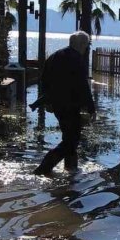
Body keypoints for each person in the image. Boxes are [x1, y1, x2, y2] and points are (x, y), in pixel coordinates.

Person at [34, 30, 95, 176]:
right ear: (81, 44)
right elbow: (83, 85)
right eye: (86, 45)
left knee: (68, 136)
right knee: (72, 140)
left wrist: (47, 101)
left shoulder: (55, 56)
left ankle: (71, 169)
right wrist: (91, 108)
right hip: (71, 106)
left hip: (57, 105)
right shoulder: (77, 59)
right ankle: (43, 168)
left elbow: (43, 80)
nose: (86, 48)